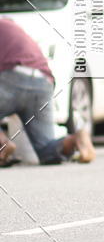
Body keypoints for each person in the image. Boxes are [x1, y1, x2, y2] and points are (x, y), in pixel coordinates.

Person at [0, 16, 95, 165]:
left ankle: (3, 145)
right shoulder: (11, 24)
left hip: (12, 75)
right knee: (46, 148)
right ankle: (76, 139)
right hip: (43, 82)